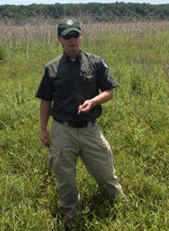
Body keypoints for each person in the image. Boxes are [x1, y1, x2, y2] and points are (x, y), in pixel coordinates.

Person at [35, 17, 124, 226]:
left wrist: (92, 102)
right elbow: (45, 101)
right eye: (67, 36)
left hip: (89, 129)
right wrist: (43, 130)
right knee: (65, 181)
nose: (72, 40)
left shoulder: (95, 62)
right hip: (62, 131)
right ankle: (71, 220)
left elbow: (109, 92)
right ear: (59, 39)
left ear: (81, 36)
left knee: (106, 174)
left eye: (75, 35)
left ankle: (120, 210)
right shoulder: (52, 68)